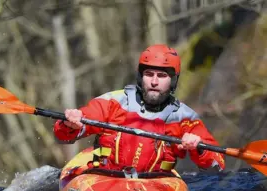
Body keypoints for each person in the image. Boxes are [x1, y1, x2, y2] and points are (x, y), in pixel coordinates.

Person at [53, 44, 225, 175]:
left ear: (173, 81)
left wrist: (198, 148)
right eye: (149, 74)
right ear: (140, 77)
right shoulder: (113, 102)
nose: (154, 82)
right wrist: (71, 124)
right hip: (105, 178)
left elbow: (216, 166)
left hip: (156, 185)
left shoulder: (184, 118)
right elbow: (62, 134)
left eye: (162, 76)